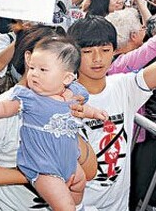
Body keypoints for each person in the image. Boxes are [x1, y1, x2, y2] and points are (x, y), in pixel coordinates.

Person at [0, 24, 98, 211]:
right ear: (28, 58)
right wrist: (37, 174)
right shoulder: (9, 106)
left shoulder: (67, 99)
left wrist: (66, 132)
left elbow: (90, 171)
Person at [67, 15, 156, 210]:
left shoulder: (123, 86)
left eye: (105, 50)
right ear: (73, 54)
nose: (97, 58)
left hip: (118, 205)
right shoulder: (62, 99)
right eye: (88, 51)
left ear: (114, 51)